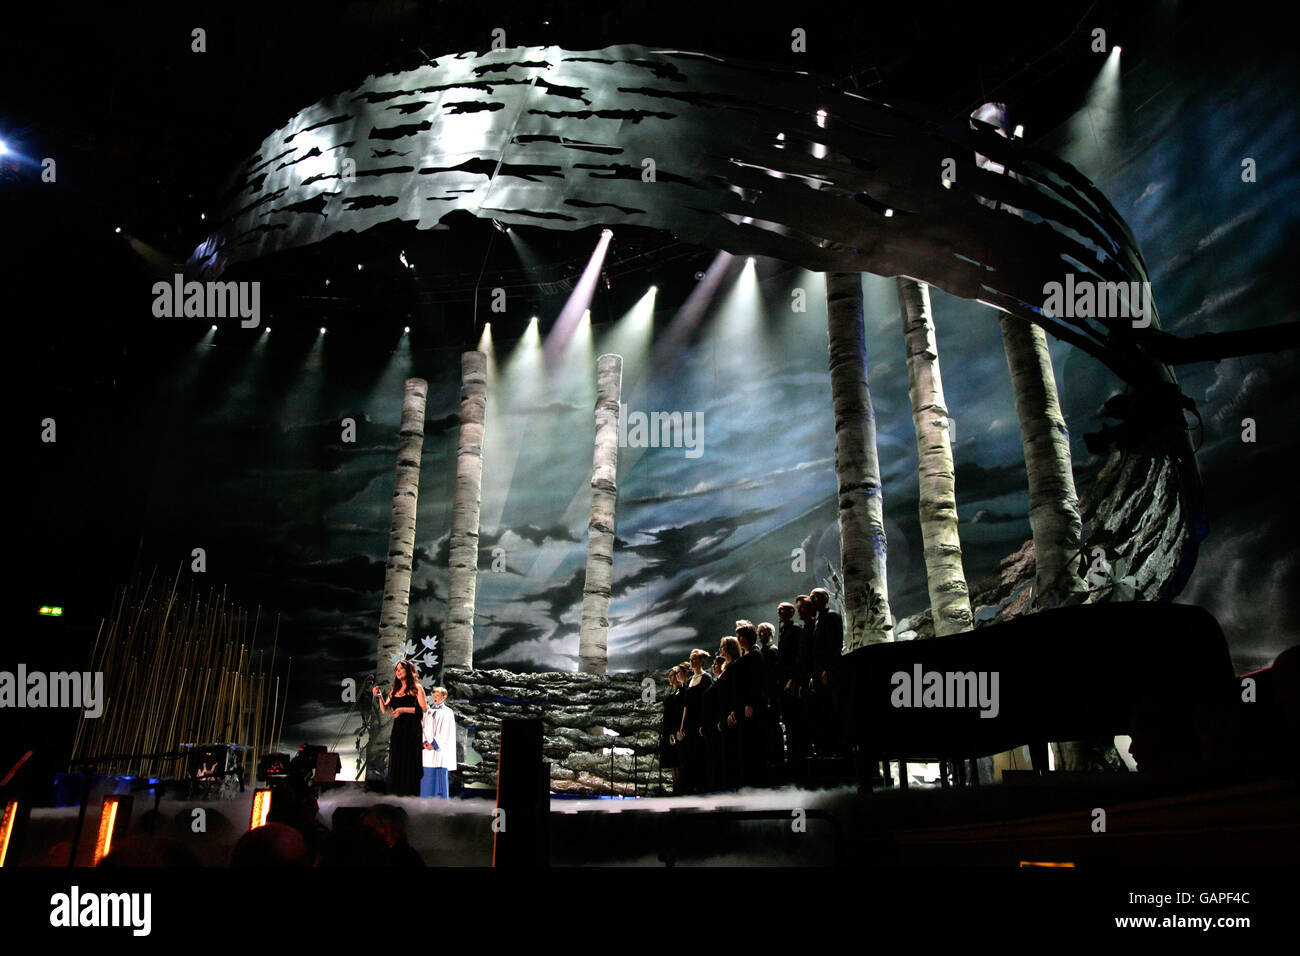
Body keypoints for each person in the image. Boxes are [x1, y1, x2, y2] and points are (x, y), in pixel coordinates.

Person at [372, 660, 426, 796]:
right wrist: (379, 696)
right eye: (396, 669)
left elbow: (423, 710)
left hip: (412, 729)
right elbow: (385, 709)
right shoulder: (395, 690)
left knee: (409, 760)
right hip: (399, 729)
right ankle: (397, 793)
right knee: (398, 759)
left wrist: (403, 709)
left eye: (401, 669)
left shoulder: (417, 688)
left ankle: (410, 793)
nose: (398, 671)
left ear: (408, 670)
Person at [677, 650, 713, 794]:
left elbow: (708, 702)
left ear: (701, 661)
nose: (692, 662)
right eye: (691, 659)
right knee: (689, 754)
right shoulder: (690, 680)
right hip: (689, 722)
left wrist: (704, 723)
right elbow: (686, 705)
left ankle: (702, 786)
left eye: (695, 659)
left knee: (700, 754)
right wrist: (682, 725)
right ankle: (690, 787)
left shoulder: (706, 678)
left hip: (700, 720)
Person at [421, 685, 457, 798]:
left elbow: (446, 731)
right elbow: (423, 727)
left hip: (439, 750)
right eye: (434, 695)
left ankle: (439, 801)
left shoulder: (447, 712)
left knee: (439, 777)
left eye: (438, 695)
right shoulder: (428, 711)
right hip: (427, 751)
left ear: (444, 697)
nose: (435, 698)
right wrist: (425, 742)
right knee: (426, 778)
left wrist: (434, 745)